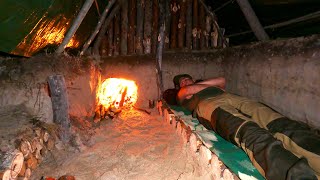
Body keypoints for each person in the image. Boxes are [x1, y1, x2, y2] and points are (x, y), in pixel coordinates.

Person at [173, 74, 320, 180]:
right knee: (249, 131)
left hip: (233, 97)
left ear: (193, 79)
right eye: (182, 81)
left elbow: (223, 79)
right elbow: (188, 90)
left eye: (187, 79)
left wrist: (203, 84)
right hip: (208, 104)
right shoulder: (182, 95)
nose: (185, 82)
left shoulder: (202, 85)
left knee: (280, 124)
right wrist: (203, 85)